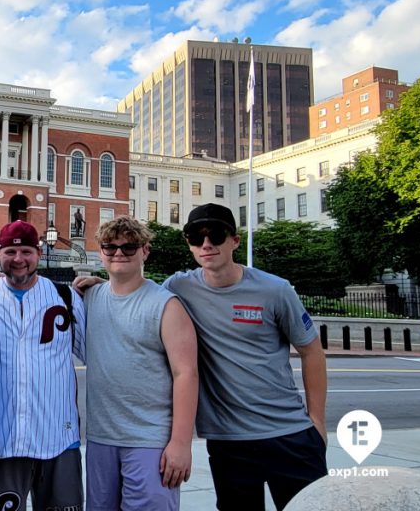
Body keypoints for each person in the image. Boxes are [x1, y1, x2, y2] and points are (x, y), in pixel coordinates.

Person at [163, 203, 327, 511]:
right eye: (196, 237)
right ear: (189, 244)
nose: (207, 244)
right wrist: (98, 286)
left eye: (216, 235)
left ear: (235, 240)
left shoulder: (275, 290)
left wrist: (317, 422)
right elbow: (139, 298)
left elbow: (312, 351)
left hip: (289, 434)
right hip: (228, 443)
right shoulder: (178, 287)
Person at [83, 216, 198, 511]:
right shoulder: (90, 297)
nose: (119, 253)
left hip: (150, 440)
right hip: (101, 438)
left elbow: (186, 374)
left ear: (145, 250)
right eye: (110, 247)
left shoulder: (166, 304)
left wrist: (181, 443)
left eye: (129, 247)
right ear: (101, 253)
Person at [0, 220, 86, 511]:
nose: (18, 260)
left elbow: (94, 354)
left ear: (38, 253)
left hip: (59, 436)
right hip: (2, 438)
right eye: (9, 252)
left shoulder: (65, 297)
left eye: (26, 251)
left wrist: (105, 286)